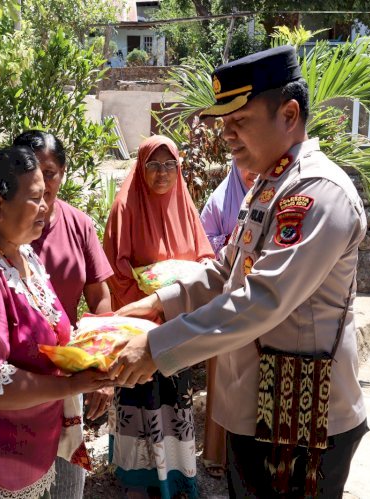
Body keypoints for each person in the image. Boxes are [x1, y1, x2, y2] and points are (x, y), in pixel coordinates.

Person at [109, 45, 369, 498]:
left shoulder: (316, 194)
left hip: (302, 418)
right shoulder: (268, 188)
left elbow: (261, 300)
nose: (227, 135)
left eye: (239, 122)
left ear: (289, 114)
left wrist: (156, 347)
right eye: (224, 124)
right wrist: (158, 304)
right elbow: (225, 273)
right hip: (256, 407)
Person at [0, 146, 113, 499]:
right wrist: (71, 386)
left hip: (29, 447)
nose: (46, 207)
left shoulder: (20, 252)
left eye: (46, 196)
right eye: (35, 198)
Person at [103, 135, 213, 498]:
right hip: (142, 326)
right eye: (153, 165)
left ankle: (176, 473)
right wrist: (150, 300)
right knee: (142, 395)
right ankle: (141, 478)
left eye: (170, 165)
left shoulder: (184, 204)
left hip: (177, 323)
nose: (162, 173)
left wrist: (182, 285)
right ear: (140, 167)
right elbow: (115, 271)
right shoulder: (125, 207)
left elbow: (205, 259)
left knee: (174, 398)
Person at [13, 130, 115, 498]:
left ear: (64, 173)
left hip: (67, 378)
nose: (42, 182)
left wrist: (102, 369)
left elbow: (99, 296)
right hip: (16, 385)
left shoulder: (78, 225)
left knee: (65, 479)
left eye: (51, 172)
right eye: (32, 172)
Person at [199, 162, 258, 479]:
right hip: (224, 306)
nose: (251, 172)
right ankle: (216, 455)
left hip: (259, 308)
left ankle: (246, 460)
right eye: (244, 166)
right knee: (222, 381)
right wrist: (232, 242)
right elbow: (203, 245)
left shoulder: (270, 198)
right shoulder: (220, 200)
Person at [201, 162, 258, 256]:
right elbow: (203, 243)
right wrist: (231, 241)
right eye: (247, 162)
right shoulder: (218, 201)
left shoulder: (271, 195)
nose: (255, 171)